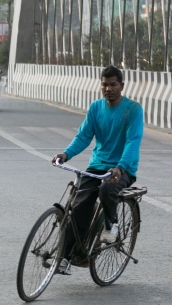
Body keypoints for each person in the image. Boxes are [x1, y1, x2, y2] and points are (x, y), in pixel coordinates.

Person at [51, 65, 144, 274]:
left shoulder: (133, 110)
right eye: (104, 84)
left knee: (106, 190)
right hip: (97, 166)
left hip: (123, 169)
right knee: (78, 206)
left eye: (113, 85)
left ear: (122, 86)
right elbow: (84, 136)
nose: (108, 89)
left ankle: (111, 226)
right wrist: (66, 154)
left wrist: (120, 167)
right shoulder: (96, 108)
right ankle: (67, 258)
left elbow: (133, 142)